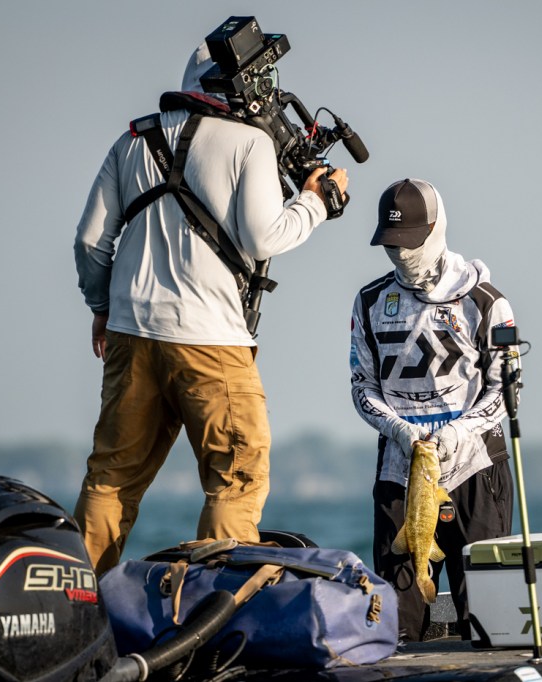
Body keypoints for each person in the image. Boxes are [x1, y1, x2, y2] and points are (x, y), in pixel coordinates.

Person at [73, 41, 348, 575]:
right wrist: (317, 201)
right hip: (211, 341)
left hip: (131, 334)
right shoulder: (250, 142)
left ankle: (77, 603)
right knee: (235, 477)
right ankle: (218, 607)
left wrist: (101, 306)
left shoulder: (132, 140)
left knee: (111, 478)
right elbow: (265, 237)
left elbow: (90, 242)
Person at [349, 178, 516, 641]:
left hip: (474, 468)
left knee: (487, 618)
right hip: (400, 467)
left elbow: (506, 391)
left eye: (410, 241)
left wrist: (459, 432)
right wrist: (399, 430)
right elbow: (362, 386)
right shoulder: (369, 301)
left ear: (435, 229)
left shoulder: (486, 301)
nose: (401, 253)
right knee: (396, 625)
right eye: (391, 243)